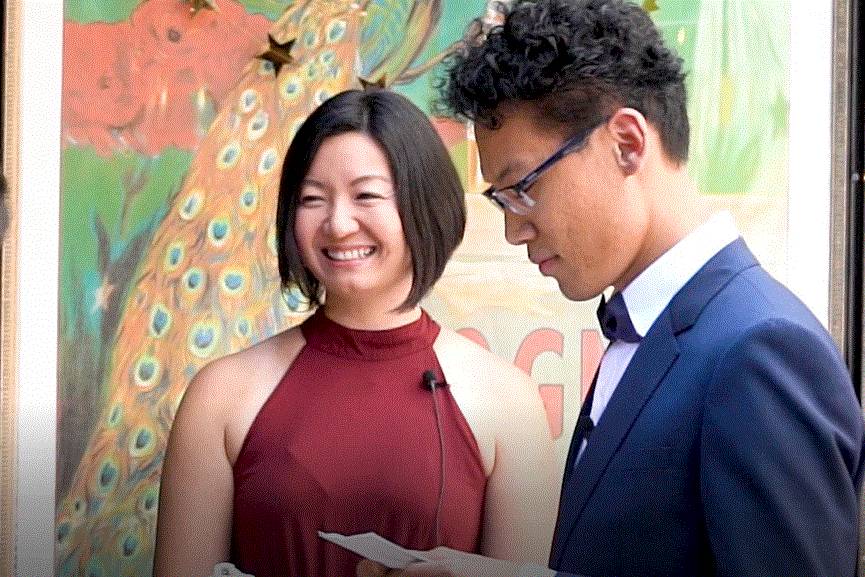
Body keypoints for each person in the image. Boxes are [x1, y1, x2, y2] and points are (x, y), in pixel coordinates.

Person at [357, 1, 865, 576]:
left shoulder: (760, 350)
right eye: (500, 200)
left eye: (522, 188)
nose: (513, 228)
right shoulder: (654, 327)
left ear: (626, 143)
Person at [152, 89, 558, 577]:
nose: (338, 224)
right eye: (312, 199)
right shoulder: (220, 395)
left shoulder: (508, 401)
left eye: (367, 195)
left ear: (425, 205)